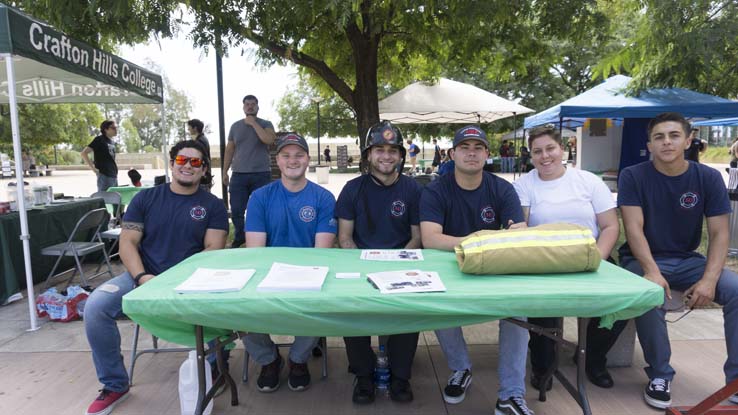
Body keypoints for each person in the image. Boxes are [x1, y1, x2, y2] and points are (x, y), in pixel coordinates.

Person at [82, 140, 228, 415]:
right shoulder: (145, 198)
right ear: (172, 164)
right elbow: (127, 243)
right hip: (144, 276)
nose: (187, 166)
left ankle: (214, 367)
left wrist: (182, 282)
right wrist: (140, 277)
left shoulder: (213, 205)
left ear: (204, 169)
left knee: (219, 305)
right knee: (95, 307)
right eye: (182, 160)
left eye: (195, 162)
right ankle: (114, 384)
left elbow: (213, 250)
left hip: (194, 281)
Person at [618, 112, 737, 409]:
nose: (666, 142)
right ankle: (660, 375)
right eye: (659, 137)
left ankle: (735, 381)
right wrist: (651, 271)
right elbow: (633, 228)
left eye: (673, 135)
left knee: (735, 289)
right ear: (650, 144)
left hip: (688, 260)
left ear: (688, 140)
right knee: (649, 292)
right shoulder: (633, 175)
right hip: (642, 259)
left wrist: (709, 280)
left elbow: (720, 233)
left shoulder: (708, 177)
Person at [420, 125, 533, 415]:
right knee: (436, 304)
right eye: (465, 147)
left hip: (494, 265)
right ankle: (460, 368)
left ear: (487, 153)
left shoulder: (501, 188)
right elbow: (430, 238)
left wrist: (482, 245)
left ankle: (511, 395)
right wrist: (484, 240)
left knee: (517, 310)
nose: (472, 153)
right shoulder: (436, 189)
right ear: (453, 153)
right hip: (449, 265)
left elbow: (517, 235)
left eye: (478, 147)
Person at [512, 125, 624, 392]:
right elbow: (522, 227)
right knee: (543, 312)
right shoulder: (525, 184)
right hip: (544, 261)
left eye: (550, 148)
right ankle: (543, 366)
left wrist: (596, 259)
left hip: (593, 257)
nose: (545, 156)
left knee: (623, 299)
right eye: (537, 151)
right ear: (531, 155)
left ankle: (592, 358)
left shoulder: (588, 181)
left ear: (562, 148)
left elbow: (610, 226)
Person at [243, 133, 336, 393]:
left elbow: (321, 254)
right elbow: (255, 253)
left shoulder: (324, 198)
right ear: (278, 160)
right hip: (267, 274)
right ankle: (268, 359)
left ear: (308, 159)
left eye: (299, 155)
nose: (292, 160)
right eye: (286, 155)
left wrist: (299, 276)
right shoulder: (260, 197)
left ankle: (298, 359)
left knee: (321, 301)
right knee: (235, 308)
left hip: (310, 274)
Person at [336, 121, 421, 404]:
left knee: (409, 311)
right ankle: (363, 375)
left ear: (400, 155)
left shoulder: (413, 189)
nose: (386, 156)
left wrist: (396, 267)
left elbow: (417, 237)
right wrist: (365, 270)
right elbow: (345, 238)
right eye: (379, 150)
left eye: (393, 150)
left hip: (402, 263)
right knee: (349, 310)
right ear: (368, 155)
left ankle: (400, 376)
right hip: (360, 265)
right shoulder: (352, 189)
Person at [222, 95, 276, 248]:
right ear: (243, 107)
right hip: (239, 174)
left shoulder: (266, 124)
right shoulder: (235, 126)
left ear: (258, 107)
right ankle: (240, 236)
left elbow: (268, 140)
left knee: (263, 208)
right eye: (247, 104)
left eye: (253, 104)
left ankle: (263, 237)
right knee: (237, 209)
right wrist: (224, 171)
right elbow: (230, 150)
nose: (250, 107)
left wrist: (253, 124)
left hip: (261, 174)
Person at [82, 120, 119, 192]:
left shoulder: (112, 142)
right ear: (106, 129)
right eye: (113, 128)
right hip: (104, 175)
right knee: (105, 199)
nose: (116, 130)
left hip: (113, 175)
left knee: (115, 199)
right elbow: (84, 153)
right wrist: (93, 169)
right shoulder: (99, 140)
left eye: (116, 128)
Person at [187, 119, 213, 192]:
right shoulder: (203, 139)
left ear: (195, 128)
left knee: (202, 200)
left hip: (202, 177)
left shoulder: (200, 141)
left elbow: (201, 159)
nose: (188, 129)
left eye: (189, 127)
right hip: (204, 175)